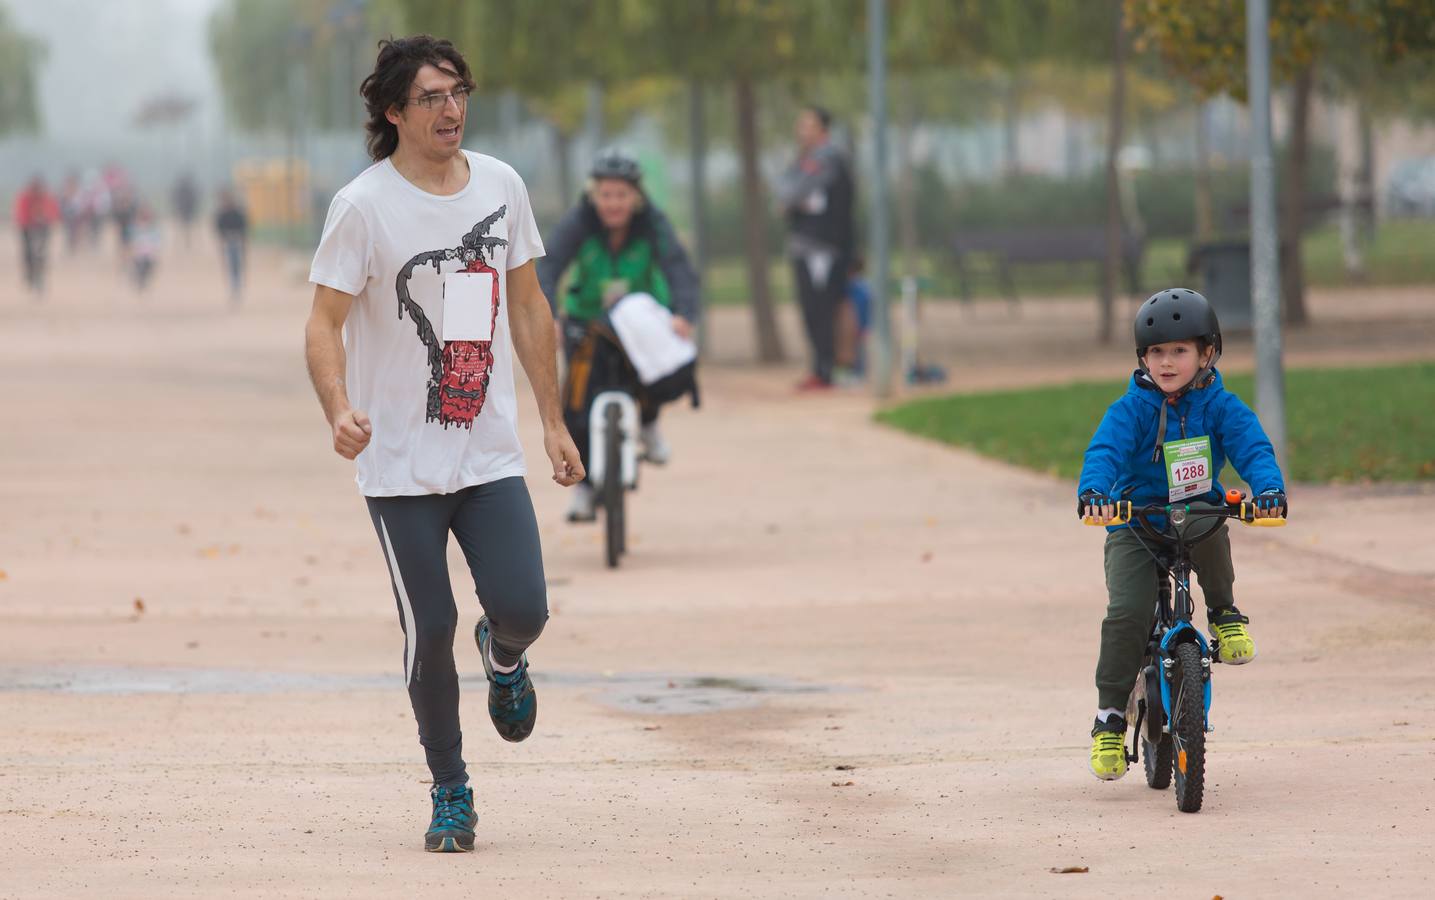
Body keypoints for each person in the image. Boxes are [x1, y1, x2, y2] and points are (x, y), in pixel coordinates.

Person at [304, 34, 584, 853]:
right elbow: (321, 324)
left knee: (525, 609)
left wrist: (553, 420)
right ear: (393, 112)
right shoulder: (362, 206)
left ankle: (502, 660)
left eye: (458, 91)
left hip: (487, 455)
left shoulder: (500, 185)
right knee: (428, 627)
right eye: (430, 97)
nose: (451, 108)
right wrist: (337, 408)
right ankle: (451, 789)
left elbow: (529, 308)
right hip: (397, 468)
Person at [1076, 288, 1288, 782]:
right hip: (1136, 519)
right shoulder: (1130, 410)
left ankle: (1224, 614)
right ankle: (1109, 717)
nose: (1166, 362)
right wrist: (1094, 493)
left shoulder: (1220, 405)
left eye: (1179, 350)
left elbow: (1251, 446)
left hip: (1193, 511)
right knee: (1127, 611)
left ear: (1206, 354)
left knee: (1215, 521)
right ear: (1142, 357)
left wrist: (1269, 489)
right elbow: (1104, 451)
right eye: (1156, 352)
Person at [537, 149, 701, 523]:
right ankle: (583, 487)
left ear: (636, 197)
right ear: (594, 196)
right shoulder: (579, 222)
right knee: (576, 401)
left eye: (621, 195)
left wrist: (684, 314)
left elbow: (678, 268)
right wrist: (550, 317)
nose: (613, 203)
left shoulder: (653, 224)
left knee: (652, 374)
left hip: (635, 323)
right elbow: (549, 267)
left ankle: (648, 423)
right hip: (587, 322)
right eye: (605, 195)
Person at [775, 105, 855, 391]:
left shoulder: (828, 160)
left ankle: (826, 370)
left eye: (808, 125)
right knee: (812, 309)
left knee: (822, 308)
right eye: (800, 125)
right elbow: (784, 193)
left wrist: (794, 200)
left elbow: (791, 194)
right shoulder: (803, 160)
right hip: (805, 246)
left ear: (823, 130)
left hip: (822, 248)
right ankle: (822, 368)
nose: (801, 131)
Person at [13, 175, 60, 296]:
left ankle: (39, 277)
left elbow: (52, 213)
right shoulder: (25, 197)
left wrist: (46, 220)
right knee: (27, 253)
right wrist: (27, 224)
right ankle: (30, 274)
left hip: (43, 228)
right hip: (26, 227)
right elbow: (21, 214)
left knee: (41, 253)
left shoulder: (46, 197)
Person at [214, 189, 249, 304]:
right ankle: (234, 287)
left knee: (237, 266)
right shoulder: (222, 214)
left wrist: (243, 242)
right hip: (228, 243)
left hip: (237, 242)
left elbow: (244, 228)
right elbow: (219, 230)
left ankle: (236, 287)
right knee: (231, 266)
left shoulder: (237, 213)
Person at [129, 205, 161, 292]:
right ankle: (139, 283)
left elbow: (157, 242)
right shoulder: (135, 228)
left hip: (149, 255)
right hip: (139, 255)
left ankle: (141, 283)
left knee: (146, 271)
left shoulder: (153, 228)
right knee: (140, 270)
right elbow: (132, 241)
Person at [172, 174, 200, 248]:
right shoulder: (185, 190)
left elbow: (194, 200)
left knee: (186, 229)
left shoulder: (182, 190)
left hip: (186, 211)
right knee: (183, 229)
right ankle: (185, 243)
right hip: (185, 211)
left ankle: (187, 243)